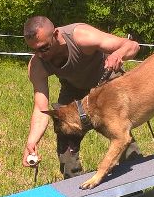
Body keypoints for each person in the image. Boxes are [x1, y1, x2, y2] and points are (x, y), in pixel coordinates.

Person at [22, 15, 144, 179]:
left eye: (44, 48)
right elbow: (40, 108)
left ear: (57, 35)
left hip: (105, 83)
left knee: (118, 133)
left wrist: (118, 54)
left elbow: (132, 45)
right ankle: (78, 191)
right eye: (34, 50)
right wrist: (32, 142)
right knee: (64, 134)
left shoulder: (82, 37)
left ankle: (136, 190)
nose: (41, 55)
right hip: (73, 89)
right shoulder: (37, 64)